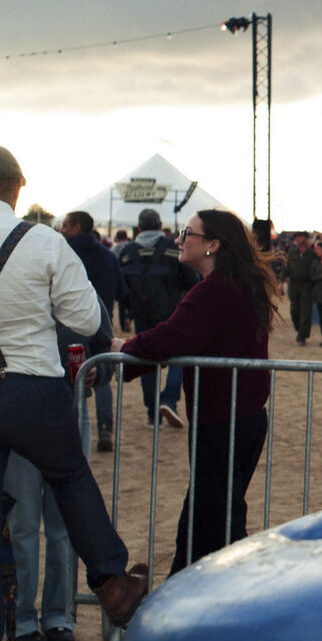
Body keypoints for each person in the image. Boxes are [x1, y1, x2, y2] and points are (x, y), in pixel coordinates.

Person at [0, 144, 148, 641]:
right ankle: (112, 584)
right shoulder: (41, 241)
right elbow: (87, 320)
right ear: (17, 188)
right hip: (32, 387)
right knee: (68, 477)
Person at [114, 209, 277, 574]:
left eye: (187, 233)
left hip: (223, 420)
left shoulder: (215, 290)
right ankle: (193, 587)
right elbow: (180, 339)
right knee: (210, 517)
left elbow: (171, 337)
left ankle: (207, 593)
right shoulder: (234, 285)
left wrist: (122, 351)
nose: (179, 239)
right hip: (239, 415)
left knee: (213, 521)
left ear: (212, 245)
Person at [6, 311, 114, 641]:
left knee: (63, 523)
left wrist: (97, 372)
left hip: (70, 411)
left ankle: (59, 616)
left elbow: (104, 346)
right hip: (17, 415)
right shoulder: (14, 286)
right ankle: (22, 618)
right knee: (22, 523)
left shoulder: (78, 290)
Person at [117, 208, 198, 427]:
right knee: (179, 356)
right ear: (161, 226)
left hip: (141, 315)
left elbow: (121, 288)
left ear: (139, 227)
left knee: (146, 360)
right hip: (172, 314)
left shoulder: (127, 251)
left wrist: (127, 313)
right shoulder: (173, 248)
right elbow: (191, 280)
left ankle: (153, 414)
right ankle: (169, 399)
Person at [60, 210, 124, 450]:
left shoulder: (64, 254)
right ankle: (105, 429)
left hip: (69, 325)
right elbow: (122, 290)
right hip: (100, 320)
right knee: (97, 374)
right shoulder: (108, 255)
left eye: (66, 225)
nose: (63, 229)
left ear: (77, 227)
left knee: (82, 385)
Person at [284, 231, 316, 345]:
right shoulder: (292, 253)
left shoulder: (311, 254)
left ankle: (302, 336)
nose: (298, 239)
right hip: (294, 285)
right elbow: (286, 267)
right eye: (297, 237)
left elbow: (315, 270)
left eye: (300, 237)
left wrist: (314, 286)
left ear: (306, 239)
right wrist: (281, 281)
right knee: (294, 311)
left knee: (305, 312)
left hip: (306, 285)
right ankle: (299, 330)